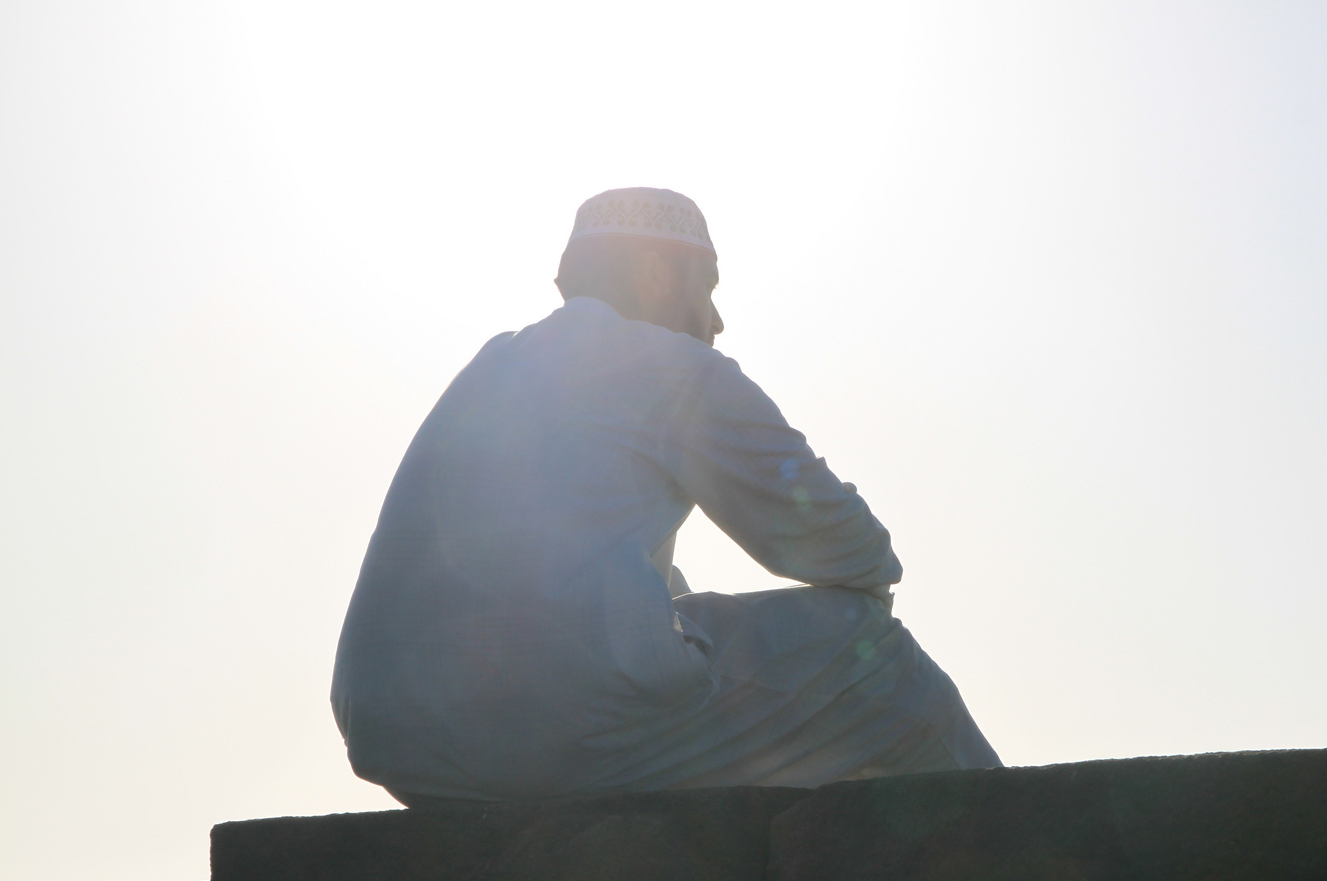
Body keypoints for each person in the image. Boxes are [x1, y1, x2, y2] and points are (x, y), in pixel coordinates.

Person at [331, 187, 1000, 805]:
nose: (716, 319)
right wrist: (865, 604)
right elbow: (846, 545)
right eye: (706, 287)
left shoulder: (490, 369)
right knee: (880, 661)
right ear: (654, 272)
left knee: (678, 618)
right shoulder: (670, 367)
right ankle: (1035, 870)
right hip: (562, 724)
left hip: (398, 741)